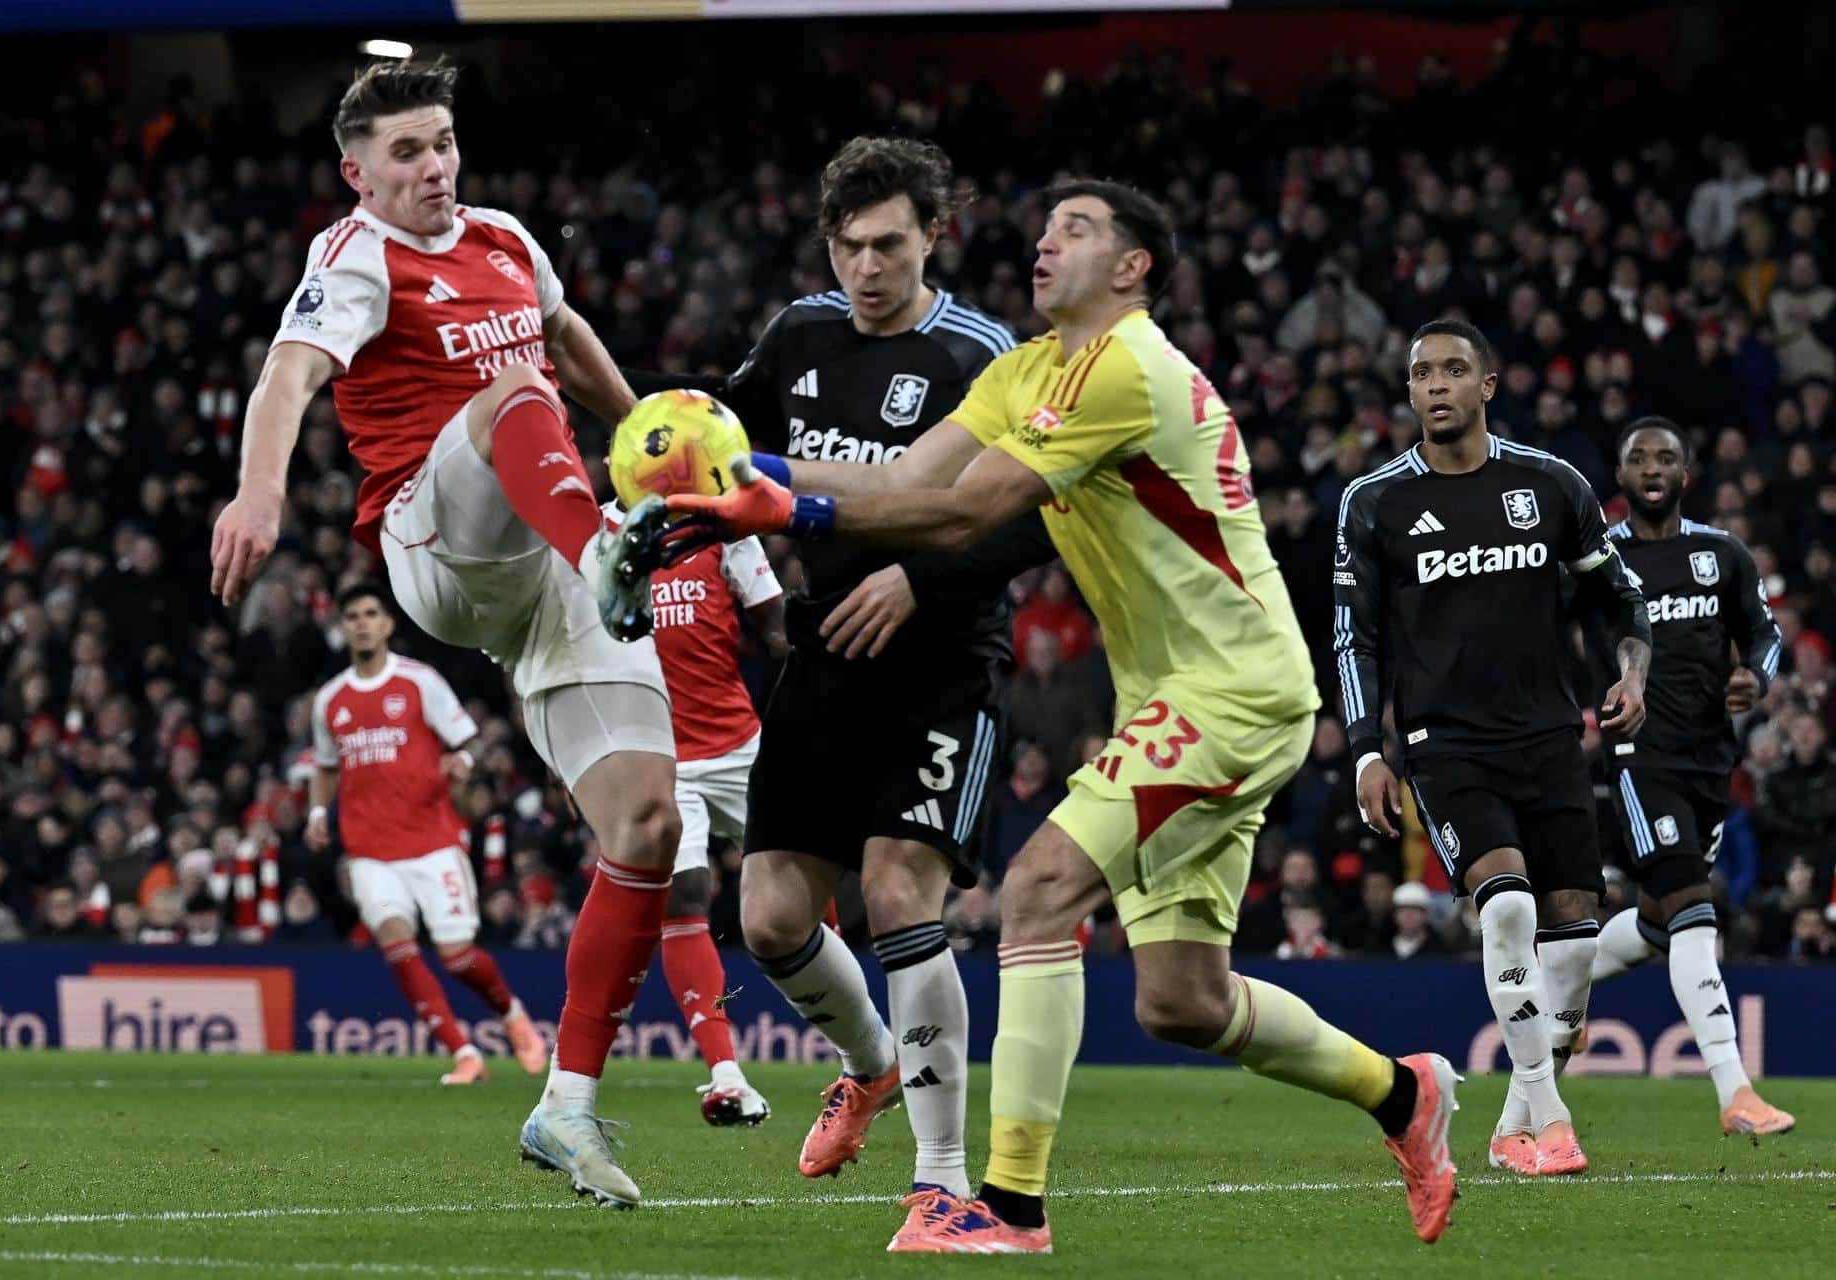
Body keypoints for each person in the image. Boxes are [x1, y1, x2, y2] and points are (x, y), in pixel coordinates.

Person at [636, 179, 1460, 1255]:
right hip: (1172, 694)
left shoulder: (1128, 367)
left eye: (1076, 229)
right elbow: (908, 476)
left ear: (1132, 267)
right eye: (1045, 226)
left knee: (1036, 892)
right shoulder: (1027, 369)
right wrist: (745, 480)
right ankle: (1404, 1095)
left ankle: (1008, 1206)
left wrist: (783, 499)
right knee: (1183, 1000)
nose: (1045, 241)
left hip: (1234, 688)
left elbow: (963, 511)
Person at [209, 58, 680, 1207]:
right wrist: (260, 492)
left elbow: (568, 335)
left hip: (551, 561)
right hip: (435, 540)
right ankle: (607, 551)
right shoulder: (354, 257)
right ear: (356, 172)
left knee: (650, 823)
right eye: (407, 151)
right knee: (516, 392)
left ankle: (565, 1105)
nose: (434, 167)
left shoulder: (508, 237)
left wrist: (656, 440)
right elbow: (287, 376)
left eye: (444, 143)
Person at [621, 136, 1052, 1231]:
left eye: (890, 245)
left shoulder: (984, 356)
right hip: (826, 654)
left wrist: (920, 577)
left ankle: (943, 1180)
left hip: (944, 660)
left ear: (934, 236)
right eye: (850, 245)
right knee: (770, 919)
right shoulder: (800, 334)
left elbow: (1037, 517)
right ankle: (870, 1065)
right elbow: (725, 455)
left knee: (901, 891)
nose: (868, 267)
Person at [1333, 319, 1653, 1177]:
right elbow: (1354, 637)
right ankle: (1551, 1120)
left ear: (1487, 386)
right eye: (1420, 373)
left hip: (1549, 739)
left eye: (1452, 370)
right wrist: (1366, 750)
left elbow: (1620, 601)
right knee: (1507, 908)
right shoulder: (1374, 501)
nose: (1435, 385)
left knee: (1573, 946)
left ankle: (1513, 1123)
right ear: (1410, 391)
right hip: (1445, 746)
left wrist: (1632, 675)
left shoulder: (1551, 485)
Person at [1580, 417, 1793, 1135]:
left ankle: (1556, 988)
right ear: (1620, 477)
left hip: (1709, 764)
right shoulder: (1600, 559)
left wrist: (1754, 678)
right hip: (1640, 759)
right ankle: (1736, 1092)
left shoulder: (1721, 554)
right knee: (1693, 909)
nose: (1652, 467)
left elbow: (1766, 634)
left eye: (1665, 457)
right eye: (1638, 458)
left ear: (1685, 474)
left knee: (1656, 922)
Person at [307, 583, 547, 1085]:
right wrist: (317, 813)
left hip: (432, 841)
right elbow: (326, 768)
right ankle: (464, 1054)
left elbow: (469, 742)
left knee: (457, 957)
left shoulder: (420, 682)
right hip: (369, 849)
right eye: (352, 616)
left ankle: (511, 1013)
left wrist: (463, 762)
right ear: (343, 627)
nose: (361, 623)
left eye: (370, 614)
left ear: (387, 624)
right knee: (396, 941)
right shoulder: (330, 700)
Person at [600, 497, 783, 1125]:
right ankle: (726, 1074)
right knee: (684, 893)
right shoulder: (595, 534)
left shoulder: (721, 527)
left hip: (739, 746)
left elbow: (777, 627)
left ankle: (857, 1050)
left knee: (801, 880)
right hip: (658, 755)